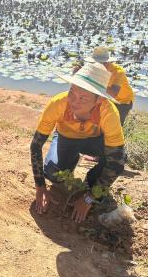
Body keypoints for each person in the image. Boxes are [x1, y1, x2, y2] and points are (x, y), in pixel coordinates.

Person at [30, 62, 125, 223]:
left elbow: (117, 162)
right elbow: (36, 145)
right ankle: (71, 159)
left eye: (83, 98)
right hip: (66, 139)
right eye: (72, 92)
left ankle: (91, 181)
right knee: (53, 174)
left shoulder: (109, 113)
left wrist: (89, 198)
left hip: (95, 142)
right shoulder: (57, 104)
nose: (74, 101)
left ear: (99, 100)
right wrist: (40, 187)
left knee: (116, 158)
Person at [85, 47, 134, 125]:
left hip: (122, 102)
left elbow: (113, 93)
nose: (96, 65)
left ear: (107, 62)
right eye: (95, 62)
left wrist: (93, 81)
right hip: (107, 99)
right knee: (100, 121)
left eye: (100, 62)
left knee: (116, 124)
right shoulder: (95, 68)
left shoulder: (118, 72)